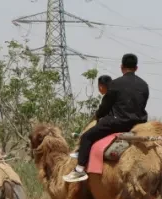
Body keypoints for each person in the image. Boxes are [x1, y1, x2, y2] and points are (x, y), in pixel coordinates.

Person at [64, 53, 149, 183]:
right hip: (139, 125)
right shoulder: (144, 85)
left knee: (87, 136)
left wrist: (98, 116)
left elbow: (104, 108)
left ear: (121, 67)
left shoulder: (116, 84)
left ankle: (79, 170)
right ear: (136, 68)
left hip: (118, 123)